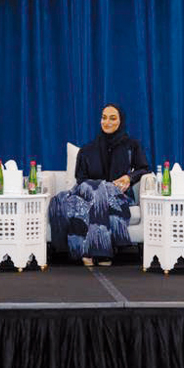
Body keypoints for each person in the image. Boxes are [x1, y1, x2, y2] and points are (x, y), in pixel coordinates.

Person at [49, 104, 150, 266]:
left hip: (119, 197)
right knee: (64, 200)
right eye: (104, 118)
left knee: (99, 191)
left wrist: (129, 177)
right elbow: (80, 179)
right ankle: (101, 252)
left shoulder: (132, 145)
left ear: (121, 121)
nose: (107, 122)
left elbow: (144, 169)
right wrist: (99, 189)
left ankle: (91, 250)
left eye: (112, 118)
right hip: (89, 197)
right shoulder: (87, 150)